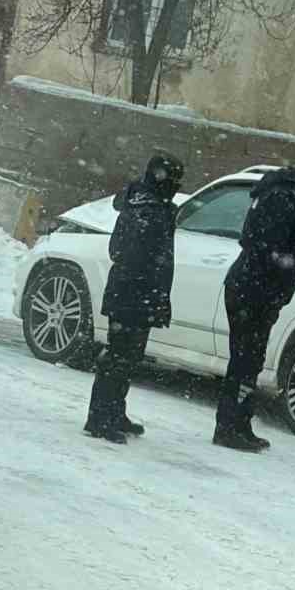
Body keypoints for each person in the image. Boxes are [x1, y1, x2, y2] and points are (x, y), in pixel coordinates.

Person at [213, 150, 295, 453]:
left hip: (253, 287)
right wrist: (274, 287)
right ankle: (230, 426)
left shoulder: (286, 193)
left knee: (247, 360)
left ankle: (237, 422)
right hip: (254, 290)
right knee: (246, 360)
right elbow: (269, 248)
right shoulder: (286, 197)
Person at [84, 153, 185, 445]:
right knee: (118, 356)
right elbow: (121, 251)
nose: (176, 185)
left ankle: (115, 410)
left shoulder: (155, 206)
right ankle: (100, 417)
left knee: (129, 357)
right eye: (172, 178)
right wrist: (145, 280)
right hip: (131, 292)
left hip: (142, 292)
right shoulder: (144, 208)